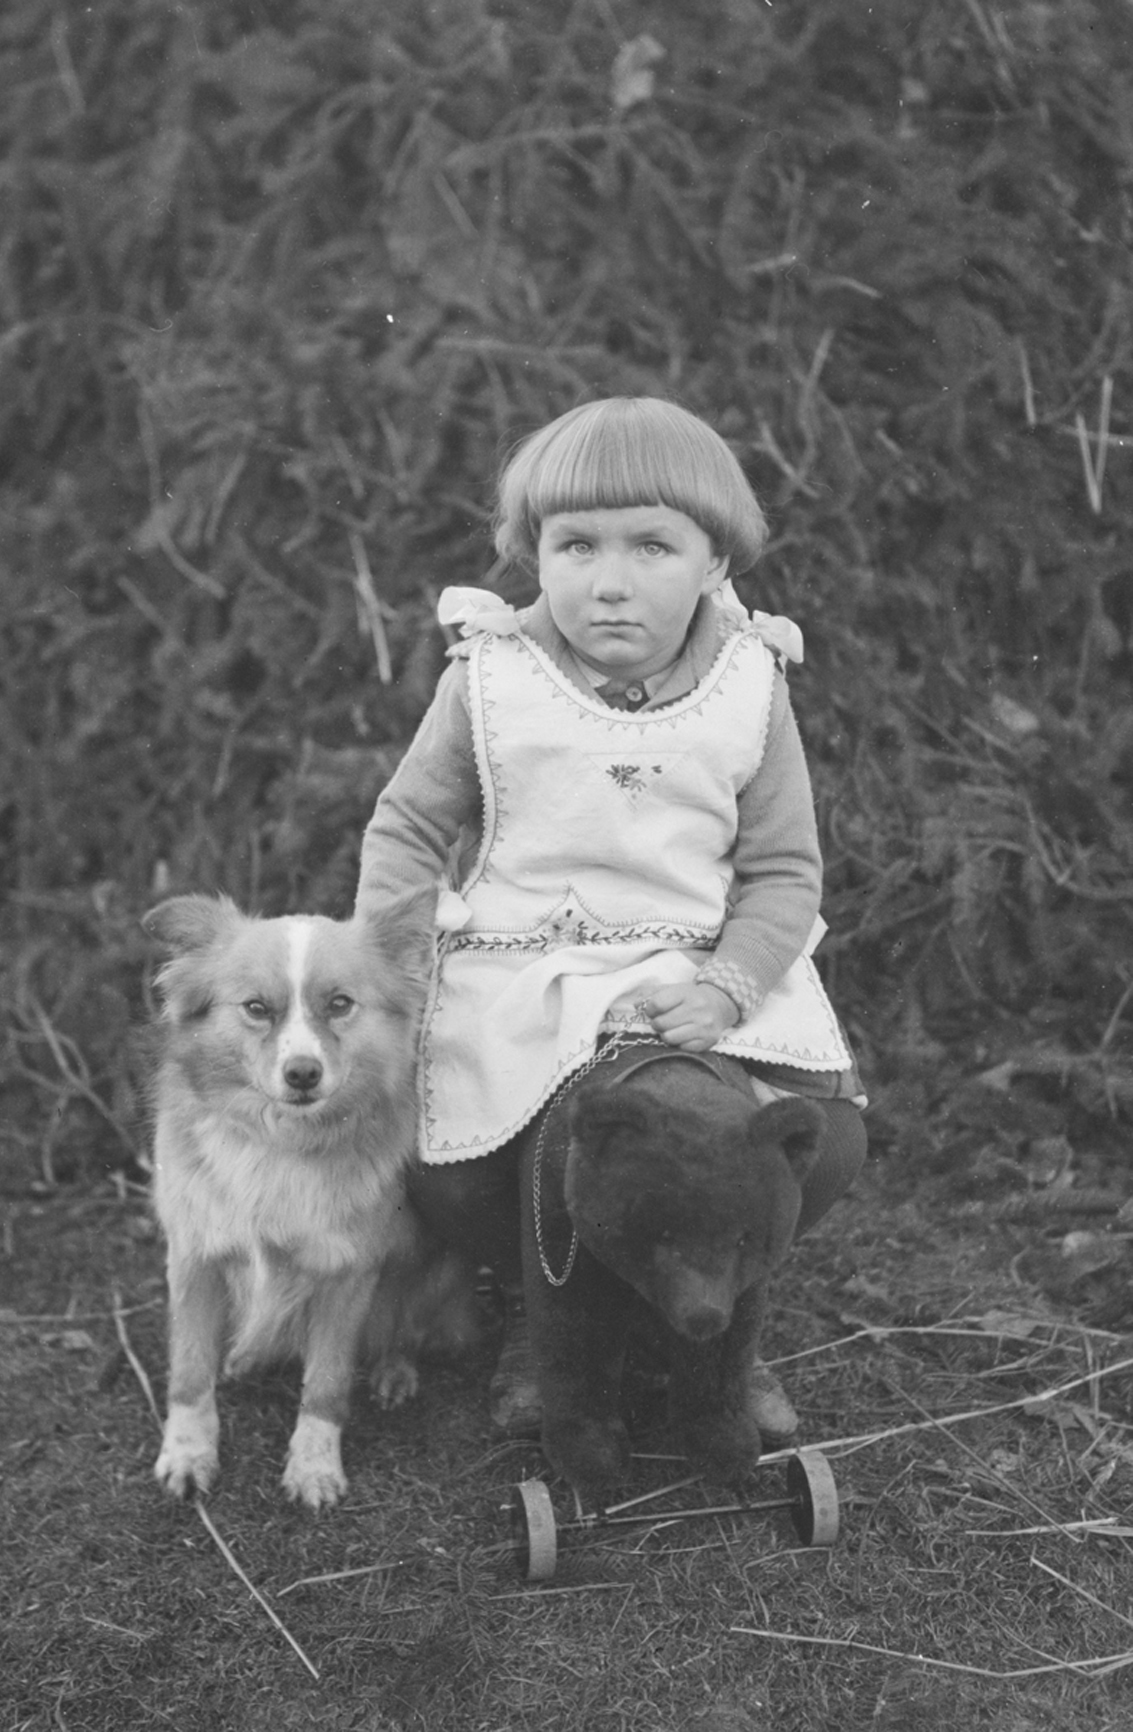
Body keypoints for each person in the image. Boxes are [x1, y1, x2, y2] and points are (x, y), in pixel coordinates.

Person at [355, 396, 866, 1440]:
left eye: (651, 545)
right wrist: (396, 961)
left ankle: (715, 1318)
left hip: (691, 964)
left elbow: (782, 867)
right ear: (530, 553)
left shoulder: (747, 686)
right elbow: (408, 825)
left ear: (714, 560)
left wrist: (728, 982)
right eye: (575, 544)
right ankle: (542, 1322)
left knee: (827, 1139)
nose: (610, 580)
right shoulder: (493, 678)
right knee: (453, 1154)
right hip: (528, 962)